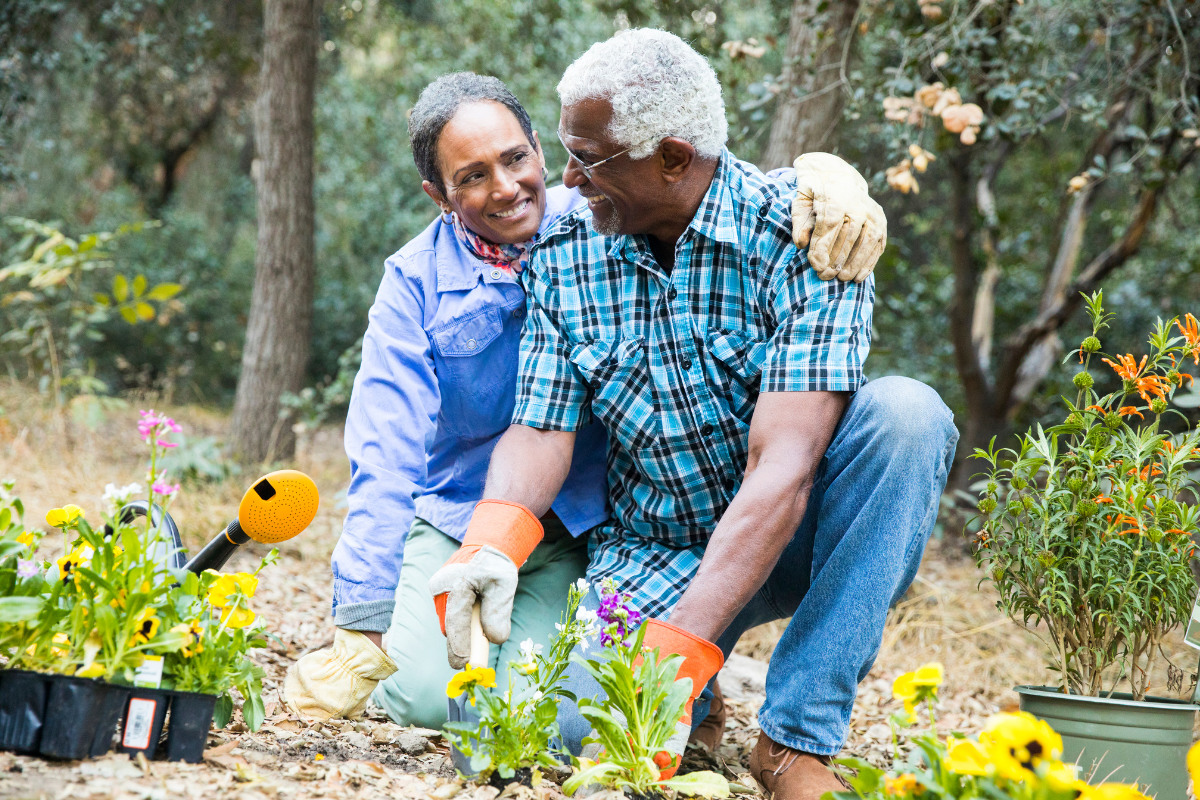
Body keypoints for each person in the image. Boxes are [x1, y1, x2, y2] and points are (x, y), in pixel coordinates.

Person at [430, 30, 957, 800]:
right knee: (582, 730)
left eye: (591, 157)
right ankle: (699, 703)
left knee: (908, 416)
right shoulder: (569, 250)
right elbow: (541, 424)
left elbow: (784, 469)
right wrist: (491, 541)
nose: (567, 178)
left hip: (793, 530)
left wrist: (677, 650)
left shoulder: (807, 238)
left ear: (674, 157)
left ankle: (793, 739)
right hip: (658, 546)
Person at [284, 68, 887, 730]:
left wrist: (828, 176)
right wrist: (364, 622)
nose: (507, 187)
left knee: (531, 699)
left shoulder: (602, 211)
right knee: (434, 698)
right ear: (439, 194)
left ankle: (730, 700)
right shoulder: (414, 287)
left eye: (517, 159)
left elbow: (690, 178)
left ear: (541, 149)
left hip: (589, 519)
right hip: (469, 516)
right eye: (473, 176)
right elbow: (385, 454)